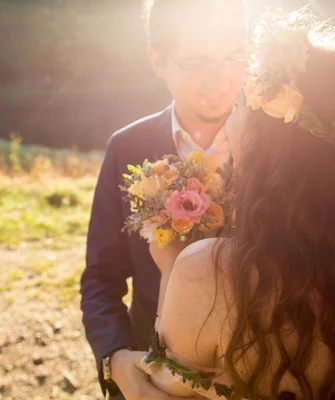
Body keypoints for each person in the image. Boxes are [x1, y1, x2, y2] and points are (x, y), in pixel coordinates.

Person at [143, 9, 335, 400]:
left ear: (268, 145)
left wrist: (169, 275)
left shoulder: (204, 274)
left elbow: (159, 389)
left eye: (243, 106)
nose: (232, 119)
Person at [79, 0, 246, 398]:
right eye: (197, 63)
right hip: (154, 370)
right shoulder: (127, 147)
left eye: (233, 58)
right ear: (158, 60)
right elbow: (101, 278)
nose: (220, 81)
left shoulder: (281, 146)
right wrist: (116, 360)